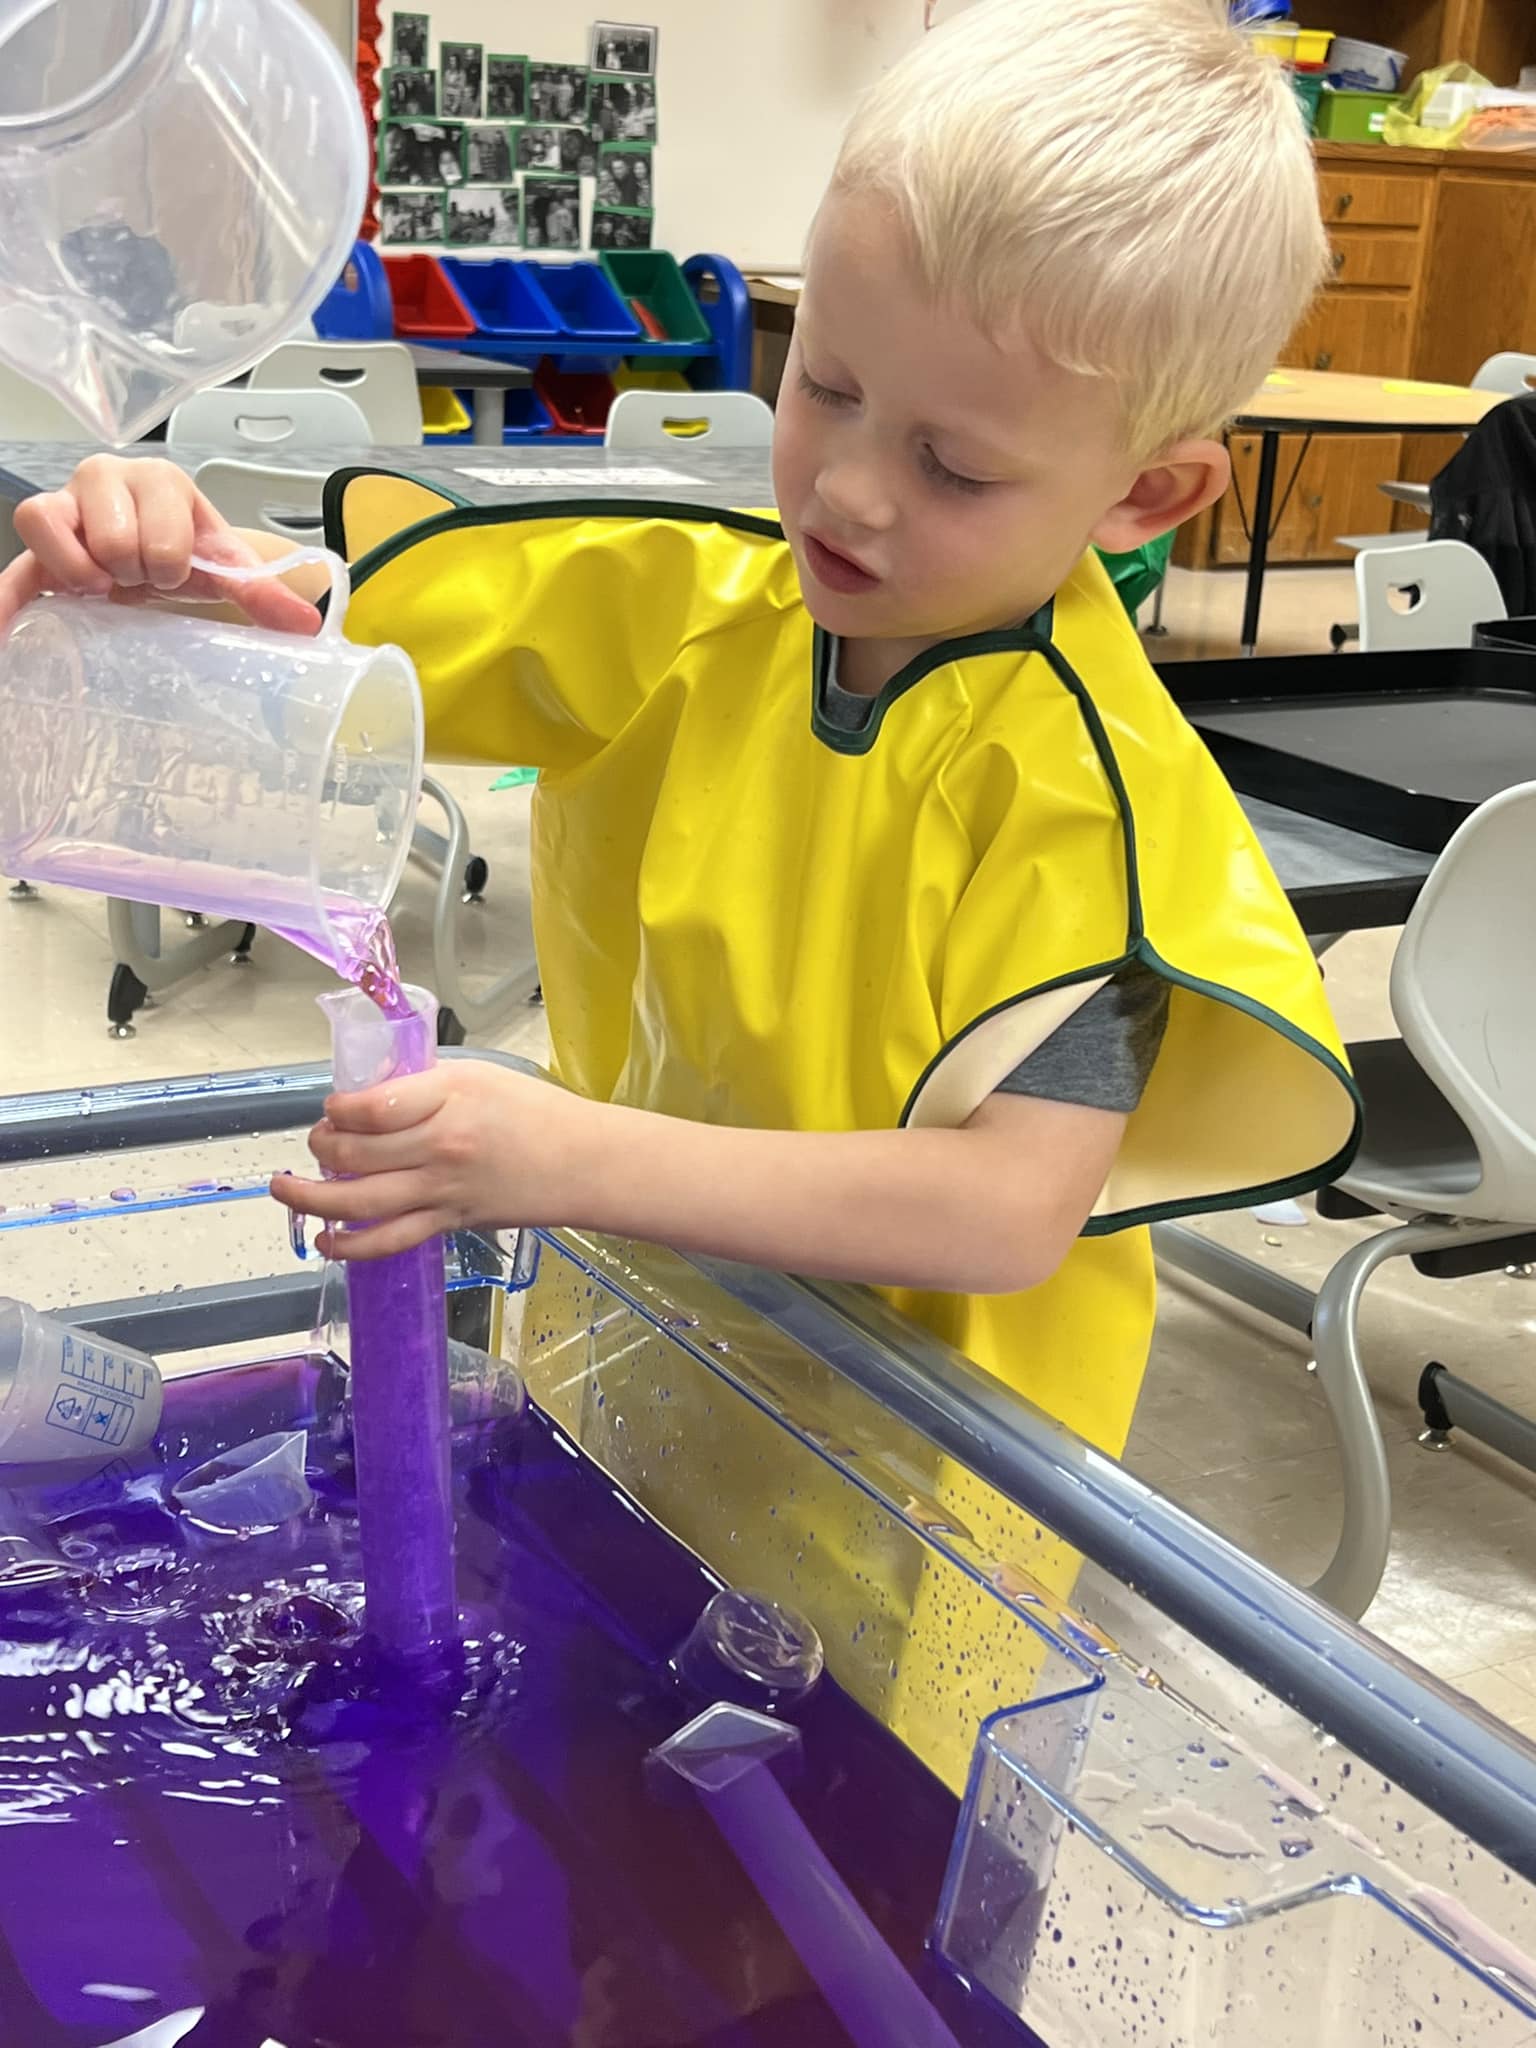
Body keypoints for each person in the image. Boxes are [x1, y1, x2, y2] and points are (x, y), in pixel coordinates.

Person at [0, 0, 1356, 1476]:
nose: (846, 491)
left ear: (1147, 498)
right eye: (826, 384)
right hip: (642, 1353)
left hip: (914, 1470)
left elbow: (1006, 1209)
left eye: (953, 465)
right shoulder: (680, 594)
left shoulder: (1089, 808)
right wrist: (165, 567)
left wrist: (564, 1155)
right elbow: (305, 642)